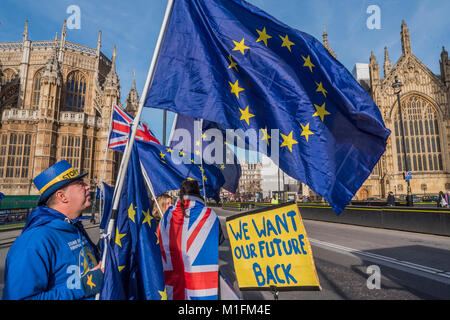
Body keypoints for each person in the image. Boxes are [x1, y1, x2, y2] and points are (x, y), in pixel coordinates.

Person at [2, 161, 103, 300]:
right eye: (80, 183)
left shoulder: (75, 228)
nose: (88, 186)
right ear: (62, 196)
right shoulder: (33, 242)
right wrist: (86, 286)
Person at [157, 179, 221, 300]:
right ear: (198, 193)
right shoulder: (209, 215)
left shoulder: (167, 216)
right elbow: (219, 240)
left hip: (172, 283)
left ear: (181, 194)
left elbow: (158, 239)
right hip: (200, 283)